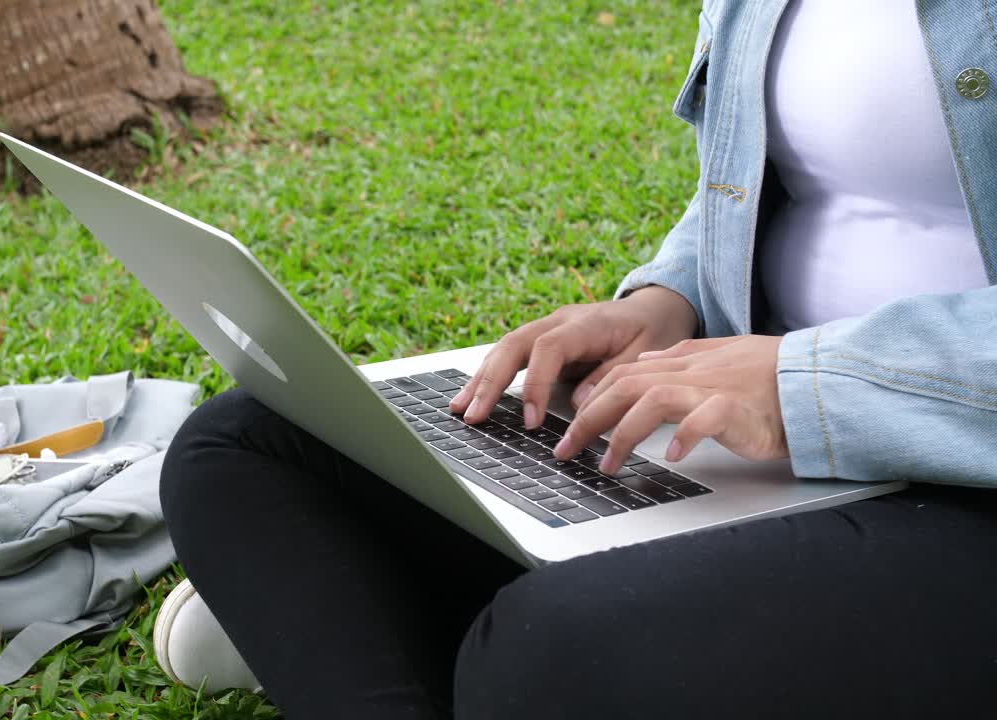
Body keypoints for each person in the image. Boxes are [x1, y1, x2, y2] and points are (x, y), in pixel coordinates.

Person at [156, 0, 997, 717]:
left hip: (958, 477)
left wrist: (807, 381)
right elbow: (792, 180)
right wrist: (668, 302)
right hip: (740, 428)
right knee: (248, 445)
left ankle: (392, 610)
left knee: (546, 655)